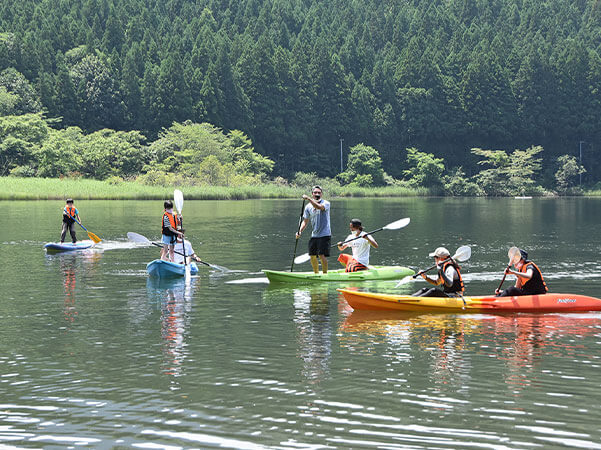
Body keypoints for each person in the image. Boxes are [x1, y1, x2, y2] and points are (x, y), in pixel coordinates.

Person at [296, 186, 331, 274]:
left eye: (319, 193)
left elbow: (318, 207)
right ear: (312, 194)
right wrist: (299, 231)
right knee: (312, 255)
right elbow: (305, 221)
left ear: (322, 194)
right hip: (314, 235)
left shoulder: (326, 203)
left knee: (321, 255)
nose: (317, 194)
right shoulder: (308, 207)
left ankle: (325, 274)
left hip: (325, 234)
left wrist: (308, 198)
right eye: (315, 193)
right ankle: (316, 274)